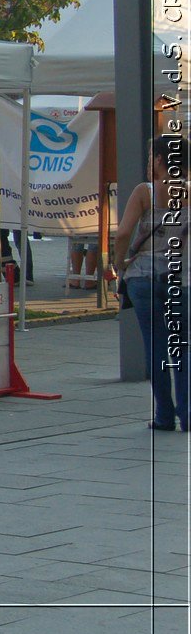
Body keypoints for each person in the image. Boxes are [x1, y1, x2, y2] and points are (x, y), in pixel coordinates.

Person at [113, 134, 188, 433]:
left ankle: (164, 416)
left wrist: (119, 264)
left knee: (156, 349)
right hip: (181, 279)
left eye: (150, 157)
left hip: (143, 278)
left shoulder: (144, 192)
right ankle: (188, 413)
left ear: (159, 159)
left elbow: (123, 234)